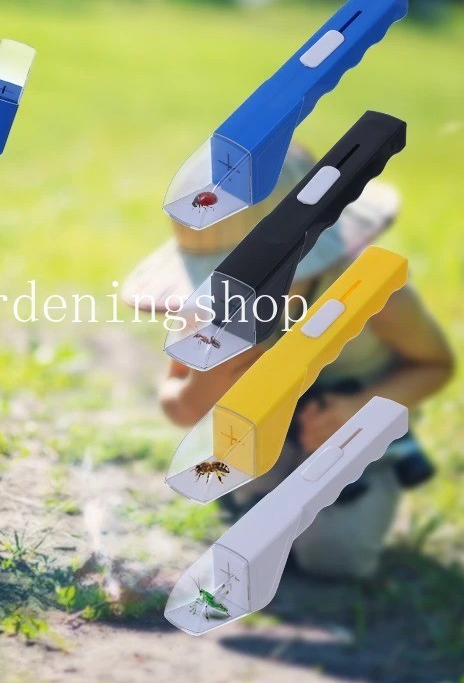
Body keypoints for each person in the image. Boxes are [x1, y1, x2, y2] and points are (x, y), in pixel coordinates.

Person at [122, 146, 454, 579]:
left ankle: (304, 502)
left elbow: (434, 365)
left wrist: (361, 408)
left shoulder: (371, 293)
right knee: (248, 514)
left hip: (352, 432)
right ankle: (258, 493)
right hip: (258, 431)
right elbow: (179, 405)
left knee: (335, 555)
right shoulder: (209, 308)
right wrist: (210, 379)